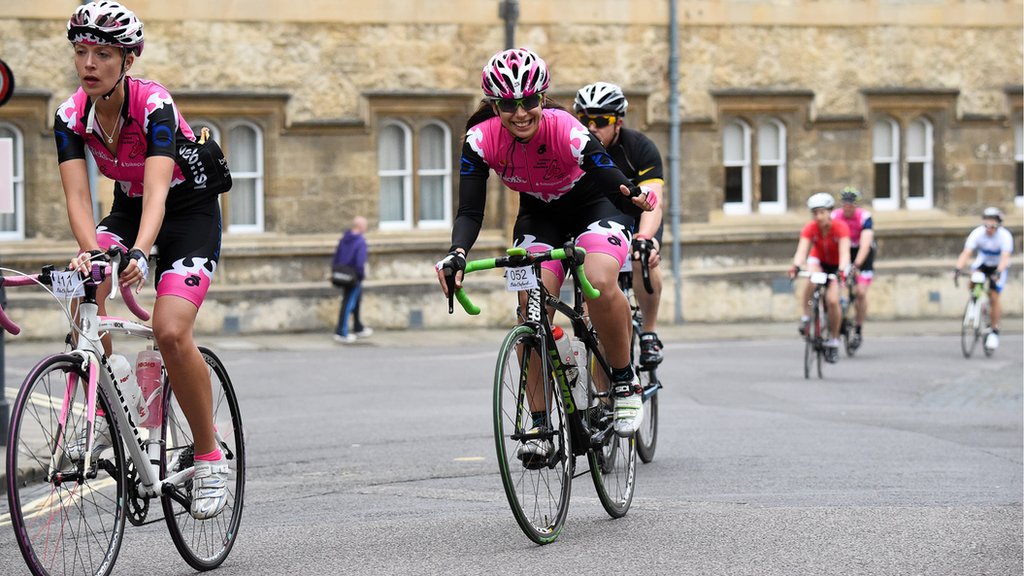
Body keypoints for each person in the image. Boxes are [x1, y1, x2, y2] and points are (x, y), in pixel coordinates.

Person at [435, 48, 657, 453]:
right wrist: (457, 254)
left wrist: (632, 193)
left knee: (603, 279)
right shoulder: (479, 140)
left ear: (542, 98)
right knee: (530, 310)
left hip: (595, 206)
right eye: (507, 104)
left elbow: (605, 171)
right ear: (494, 105)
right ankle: (539, 424)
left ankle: (625, 381)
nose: (520, 113)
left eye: (529, 102)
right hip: (540, 216)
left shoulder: (565, 128)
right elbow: (469, 210)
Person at [56, 1, 228, 519]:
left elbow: (158, 190)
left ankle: (209, 456)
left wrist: (138, 253)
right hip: (129, 210)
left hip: (188, 211)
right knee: (78, 287)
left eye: (103, 53)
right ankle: (120, 395)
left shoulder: (153, 104)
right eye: (82, 52)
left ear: (127, 59)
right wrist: (93, 254)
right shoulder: (70, 116)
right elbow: (79, 200)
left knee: (171, 330)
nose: (89, 64)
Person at [573, 81, 666, 367]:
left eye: (601, 121)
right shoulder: (575, 147)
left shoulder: (639, 148)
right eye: (584, 120)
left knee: (642, 255)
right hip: (594, 222)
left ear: (618, 122)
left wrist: (645, 237)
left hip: (639, 218)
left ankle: (648, 332)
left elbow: (654, 199)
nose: (592, 127)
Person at [788, 193, 851, 363]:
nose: (818, 216)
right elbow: (802, 251)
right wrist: (796, 266)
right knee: (811, 280)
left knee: (832, 301)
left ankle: (834, 341)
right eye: (815, 213)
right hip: (819, 260)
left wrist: (843, 270)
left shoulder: (840, 227)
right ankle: (807, 315)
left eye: (822, 212)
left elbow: (845, 253)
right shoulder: (810, 228)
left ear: (830, 212)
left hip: (836, 265)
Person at [954, 207, 1014, 350]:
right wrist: (957, 269)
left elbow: (1005, 258)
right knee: (973, 281)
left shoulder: (1005, 236)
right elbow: (966, 253)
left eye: (992, 225)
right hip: (983, 264)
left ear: (998, 225)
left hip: (998, 266)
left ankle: (994, 330)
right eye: (986, 225)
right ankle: (976, 302)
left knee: (994, 296)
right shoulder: (978, 233)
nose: (989, 228)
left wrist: (998, 272)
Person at [831, 186, 876, 349]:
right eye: (845, 203)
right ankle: (840, 313)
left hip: (862, 253)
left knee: (860, 292)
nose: (847, 207)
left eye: (851, 204)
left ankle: (858, 328)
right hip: (843, 250)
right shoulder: (835, 216)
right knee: (836, 284)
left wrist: (856, 265)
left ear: (856, 205)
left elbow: (865, 244)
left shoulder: (864, 217)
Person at [333, 215, 372, 343]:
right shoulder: (360, 241)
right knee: (348, 303)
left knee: (356, 301)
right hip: (353, 276)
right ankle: (341, 332)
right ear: (360, 226)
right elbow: (360, 262)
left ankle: (358, 327)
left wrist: (335, 271)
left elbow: (336, 257)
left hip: (342, 274)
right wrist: (360, 276)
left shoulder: (344, 238)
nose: (366, 228)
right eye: (365, 225)